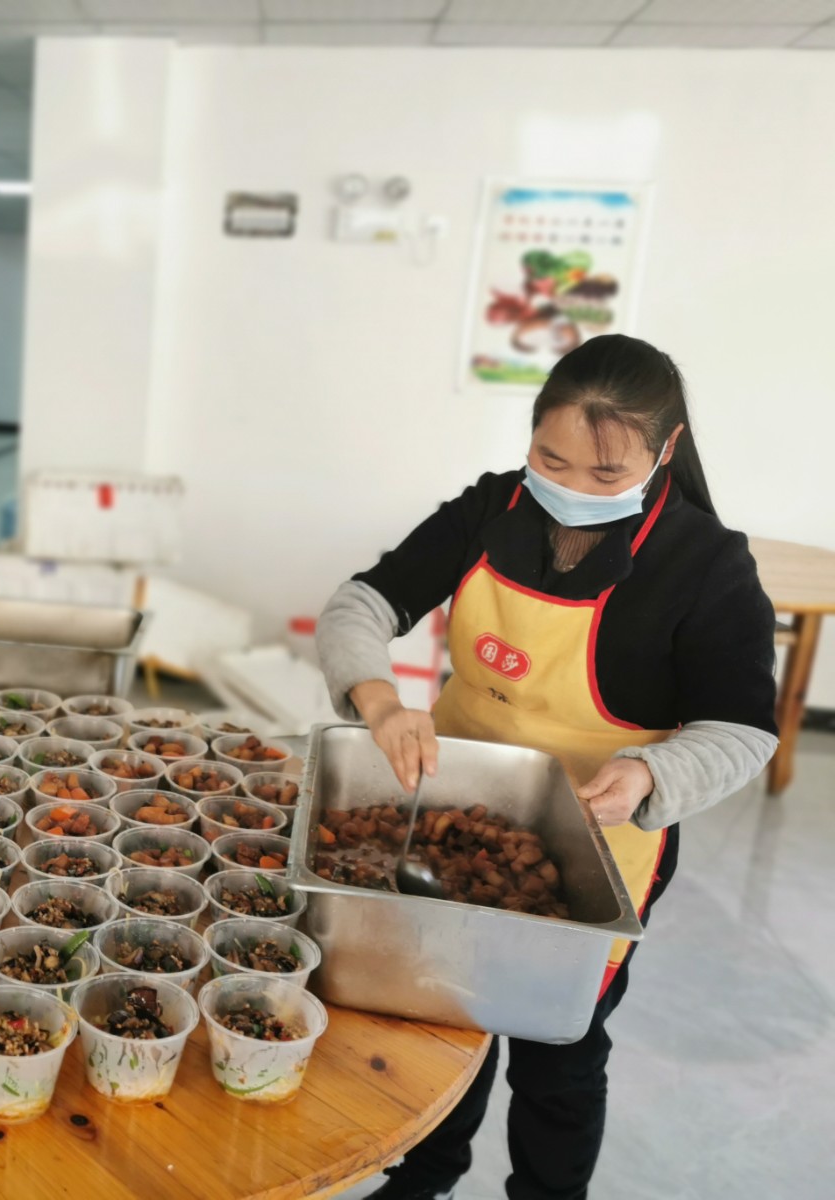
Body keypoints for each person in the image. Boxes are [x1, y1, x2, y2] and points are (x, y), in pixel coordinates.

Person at [316, 335, 778, 1200]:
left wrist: (649, 776)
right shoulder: (491, 508)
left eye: (606, 473)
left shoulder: (707, 565)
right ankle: (427, 1175)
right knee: (440, 1013)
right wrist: (378, 701)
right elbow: (361, 605)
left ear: (667, 449)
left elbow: (742, 730)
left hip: (601, 840)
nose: (572, 486)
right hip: (448, 806)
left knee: (557, 1051)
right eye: (550, 459)